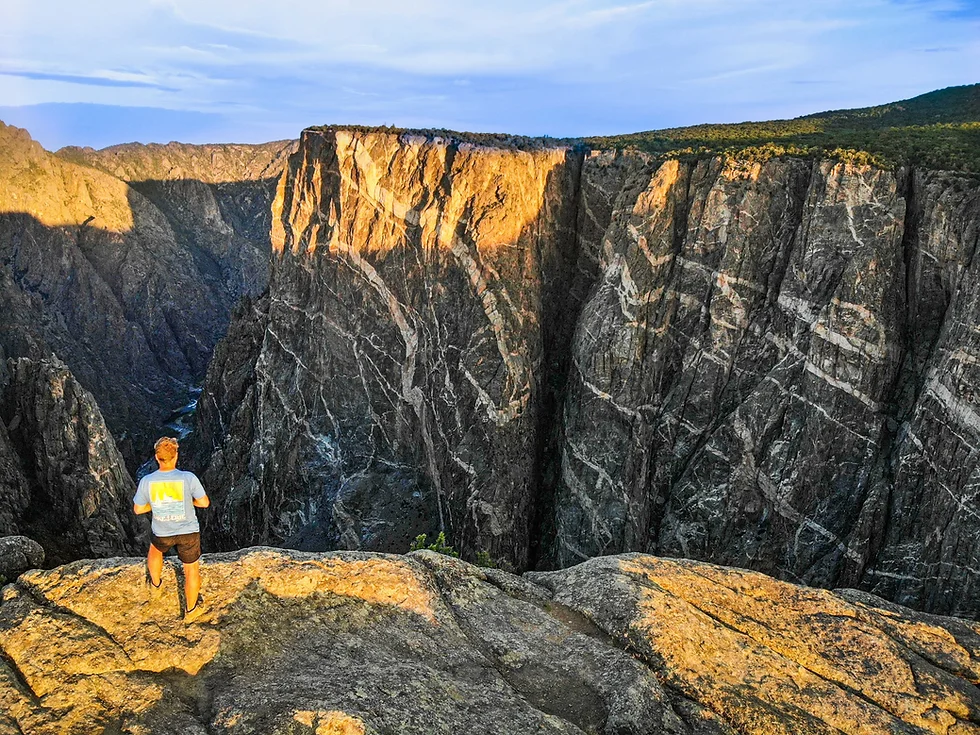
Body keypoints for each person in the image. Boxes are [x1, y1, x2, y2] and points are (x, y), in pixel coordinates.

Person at [133, 437, 210, 622]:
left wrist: (157, 505)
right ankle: (191, 611)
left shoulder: (147, 481)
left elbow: (138, 509)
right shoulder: (188, 478)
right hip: (188, 532)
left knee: (155, 550)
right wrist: (185, 502)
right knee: (191, 570)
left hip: (162, 531)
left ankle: (156, 585)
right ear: (176, 456)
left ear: (157, 458)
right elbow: (204, 503)